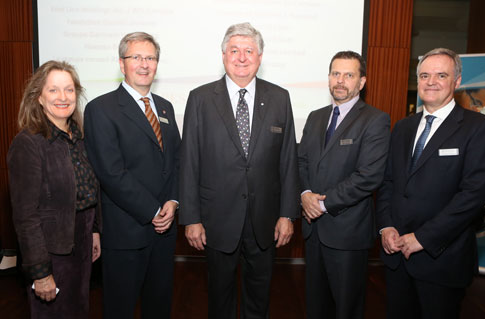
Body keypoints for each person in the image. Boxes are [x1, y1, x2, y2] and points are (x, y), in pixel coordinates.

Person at [179, 22, 300, 319]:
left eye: (249, 51)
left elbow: (288, 160)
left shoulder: (279, 98)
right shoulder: (200, 98)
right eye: (234, 50)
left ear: (260, 57)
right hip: (216, 220)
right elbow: (189, 161)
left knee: (259, 298)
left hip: (265, 220)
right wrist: (191, 218)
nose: (242, 57)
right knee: (219, 298)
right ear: (223, 56)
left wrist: (287, 214)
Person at [376, 48, 485, 318]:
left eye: (441, 75)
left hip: (442, 259)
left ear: (456, 82)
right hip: (397, 256)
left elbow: (473, 196)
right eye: (424, 75)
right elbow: (388, 182)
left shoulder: (479, 128)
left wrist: (422, 238)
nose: (431, 82)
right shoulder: (403, 127)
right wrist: (386, 226)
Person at [84, 32, 181, 319]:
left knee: (159, 306)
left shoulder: (165, 107)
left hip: (164, 232)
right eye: (136, 57)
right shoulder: (101, 109)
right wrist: (152, 210)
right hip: (126, 232)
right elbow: (111, 172)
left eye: (150, 58)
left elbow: (176, 161)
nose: (144, 64)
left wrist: (174, 201)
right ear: (121, 63)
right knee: (120, 309)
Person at [298, 51, 391, 319]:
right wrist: (304, 194)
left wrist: (322, 204)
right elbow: (301, 161)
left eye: (348, 75)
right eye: (336, 74)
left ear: (361, 82)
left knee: (346, 309)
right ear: (328, 78)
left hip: (348, 234)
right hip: (313, 231)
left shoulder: (375, 119)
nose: (341, 81)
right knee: (316, 307)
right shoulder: (316, 117)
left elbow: (369, 176)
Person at [7, 60, 101, 318]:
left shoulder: (78, 137)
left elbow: (87, 191)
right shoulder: (28, 143)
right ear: (38, 97)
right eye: (54, 90)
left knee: (79, 311)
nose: (63, 97)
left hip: (81, 246)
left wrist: (93, 232)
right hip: (50, 253)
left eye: (69, 90)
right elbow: (26, 217)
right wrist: (40, 272)